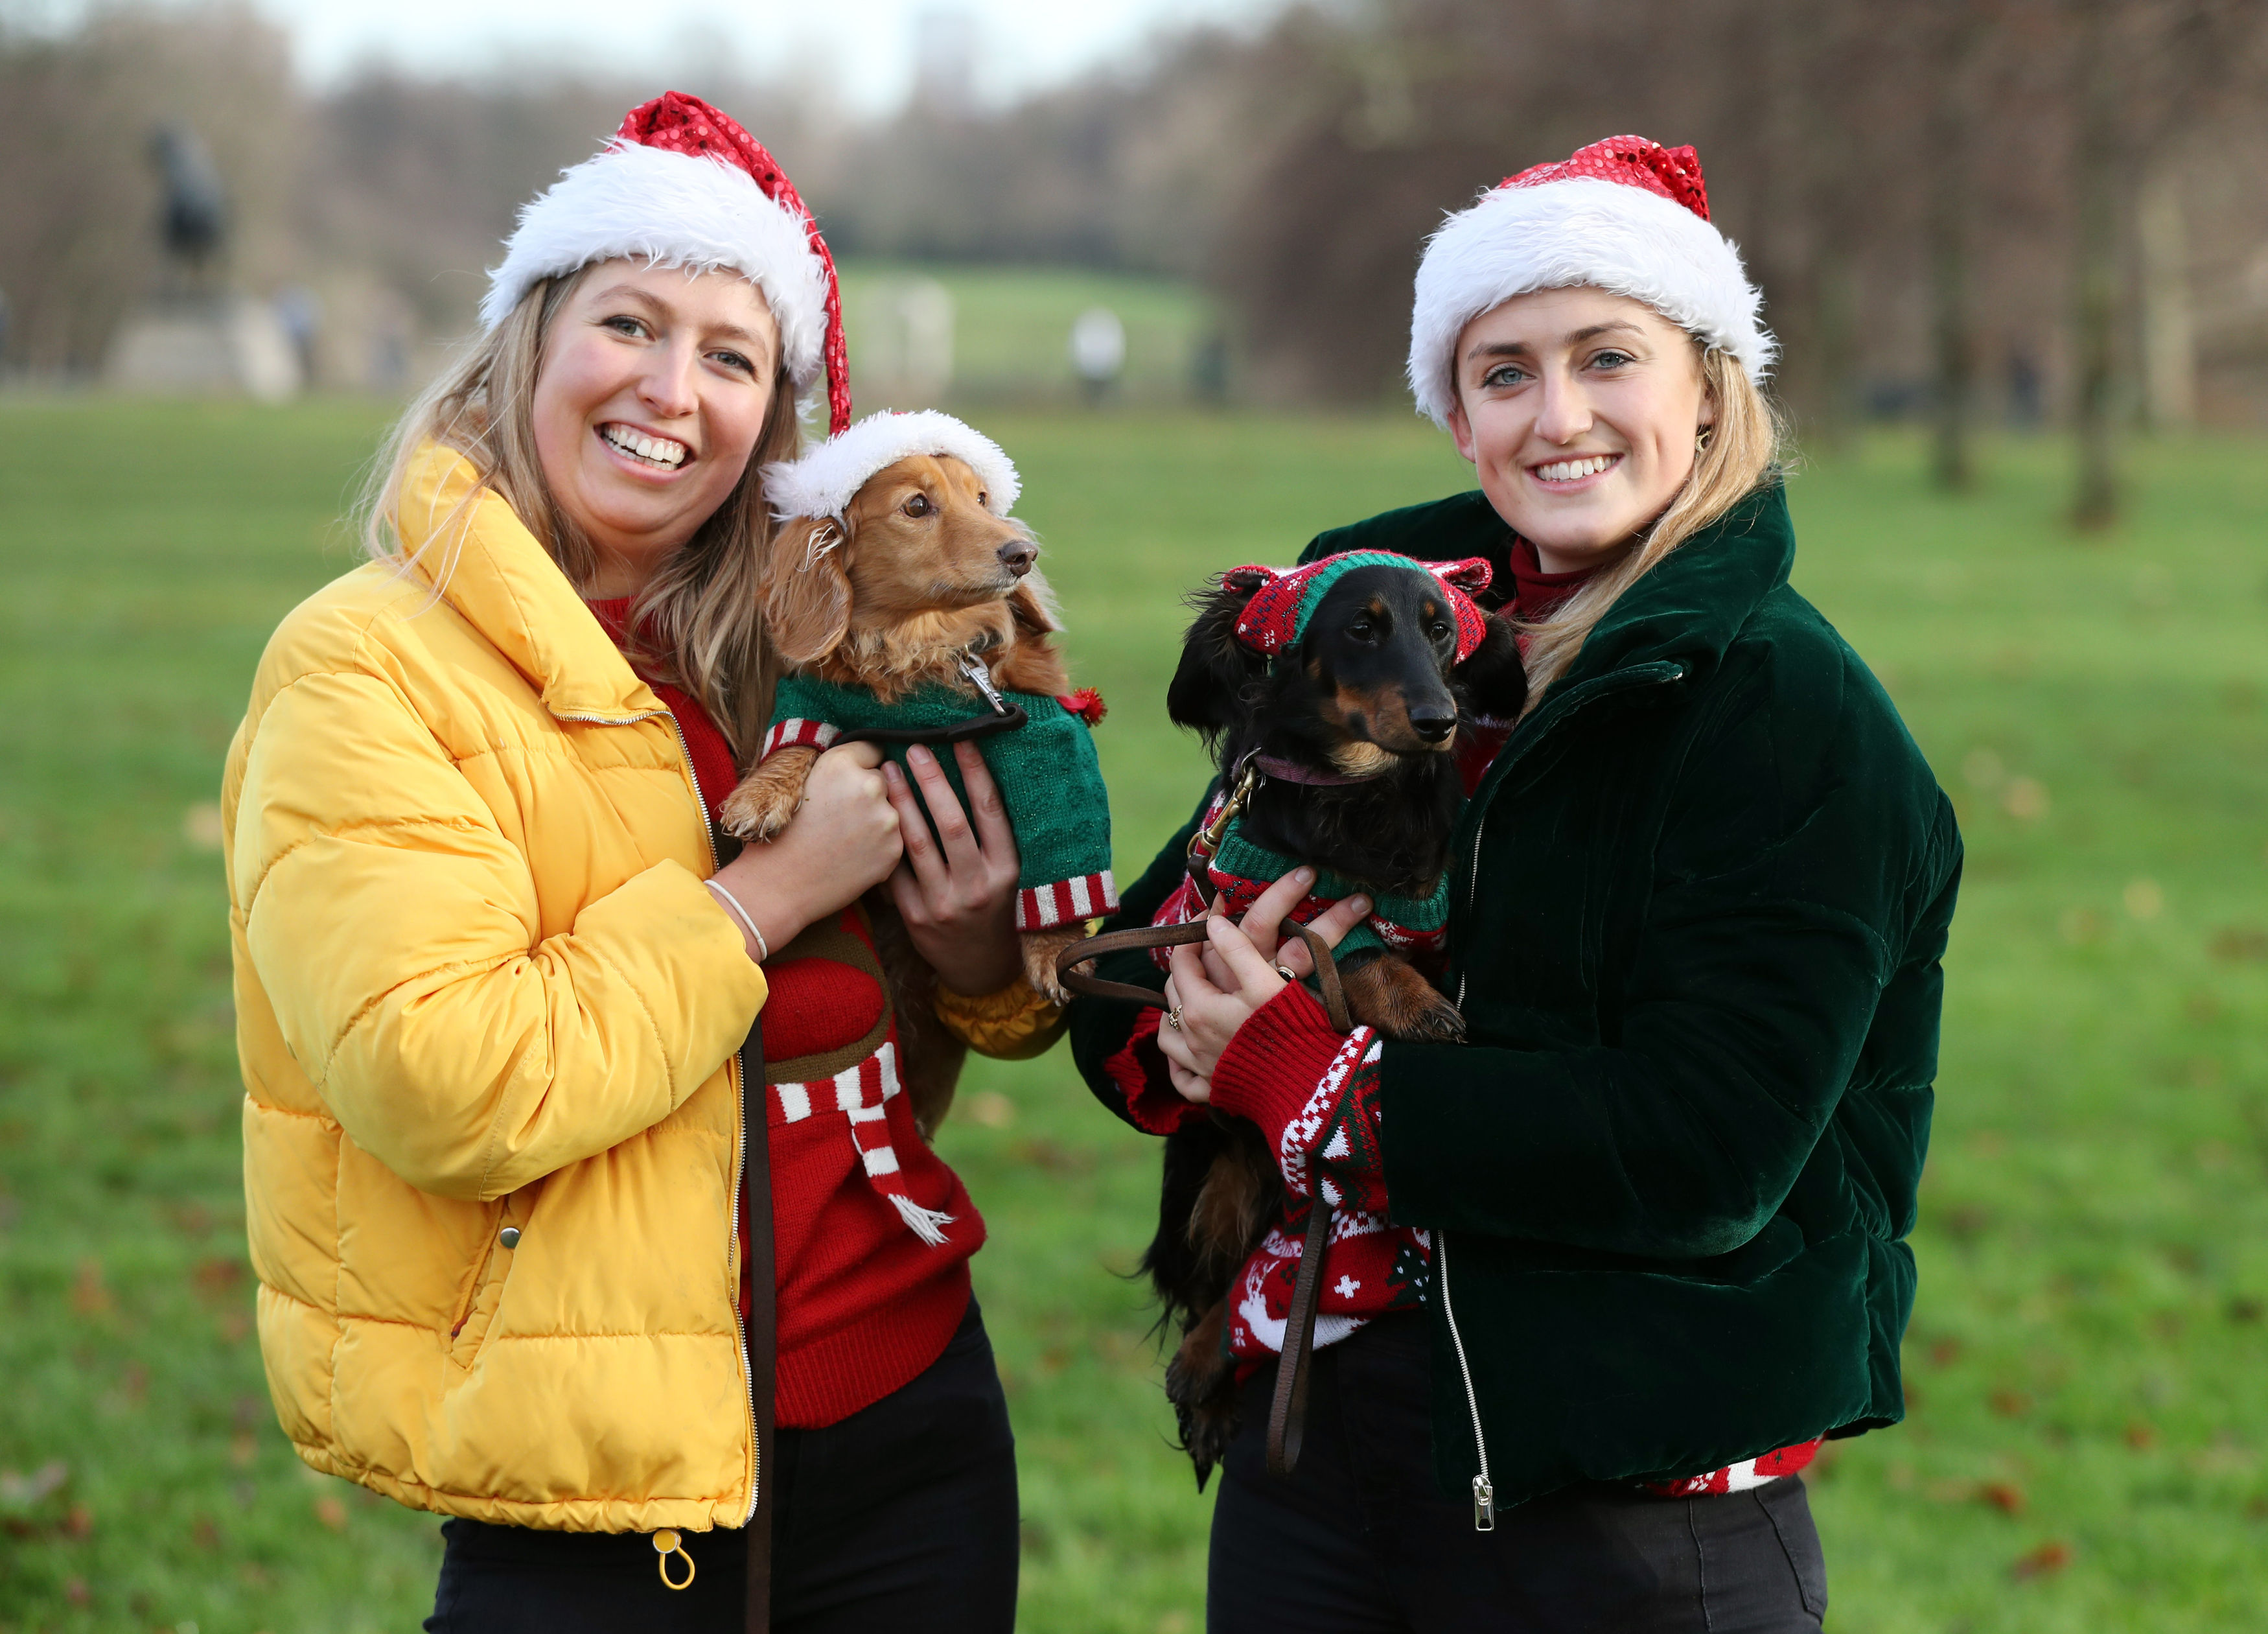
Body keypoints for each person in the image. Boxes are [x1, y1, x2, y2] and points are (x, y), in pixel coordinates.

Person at [1069, 135, 1961, 1633]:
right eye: (1503, 372)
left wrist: (1312, 1080)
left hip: (1624, 1508)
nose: (1556, 418)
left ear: (1706, 380)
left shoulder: (1789, 717)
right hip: (1314, 1459)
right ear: (1457, 408)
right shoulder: (1368, 627)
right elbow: (1131, 1004)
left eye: (1605, 357)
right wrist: (1181, 1016)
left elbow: (1703, 1151)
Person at [221, 93, 1057, 1633]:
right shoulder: (365, 669)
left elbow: (950, 1015)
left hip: (914, 1424)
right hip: (598, 1481)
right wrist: (760, 900)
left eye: (730, 356)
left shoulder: (790, 657)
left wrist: (977, 957)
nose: (673, 390)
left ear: (773, 419)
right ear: (529, 340)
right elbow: (445, 1076)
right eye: (630, 324)